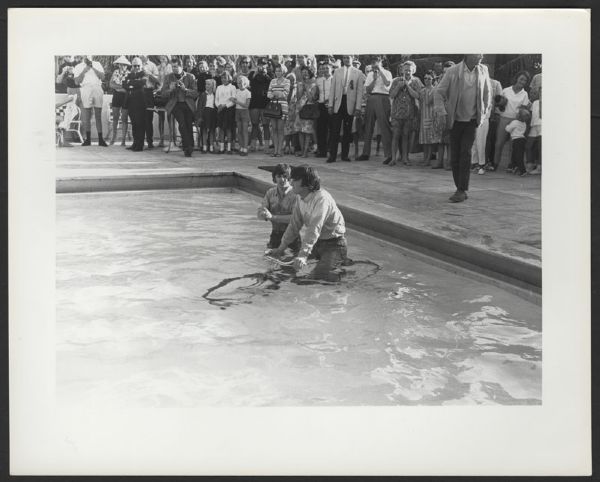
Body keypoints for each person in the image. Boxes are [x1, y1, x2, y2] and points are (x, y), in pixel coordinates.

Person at [268, 165, 348, 282]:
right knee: (284, 268)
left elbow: (314, 229)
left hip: (334, 245)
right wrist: (280, 249)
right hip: (316, 244)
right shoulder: (300, 198)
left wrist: (302, 255)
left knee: (315, 279)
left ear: (306, 183)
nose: (291, 182)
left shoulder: (322, 199)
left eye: (295, 179)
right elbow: (293, 226)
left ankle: (342, 274)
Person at [434, 54, 492, 203]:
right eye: (477, 52)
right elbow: (439, 92)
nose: (481, 55)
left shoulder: (483, 69)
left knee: (465, 152)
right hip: (455, 119)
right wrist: (442, 112)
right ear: (468, 54)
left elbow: (487, 93)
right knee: (455, 156)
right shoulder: (453, 71)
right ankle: (459, 187)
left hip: (472, 119)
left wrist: (484, 113)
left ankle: (461, 189)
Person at [327, 54, 365, 163]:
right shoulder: (337, 71)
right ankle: (332, 156)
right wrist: (330, 105)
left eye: (348, 57)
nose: (346, 60)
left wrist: (358, 107)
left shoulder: (358, 73)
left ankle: (344, 155)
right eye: (344, 58)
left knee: (347, 131)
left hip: (350, 104)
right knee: (335, 130)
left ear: (352, 59)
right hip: (338, 102)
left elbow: (359, 92)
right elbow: (332, 89)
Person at [492, 70, 531, 172]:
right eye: (521, 78)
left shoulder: (525, 94)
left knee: (512, 145)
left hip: (516, 121)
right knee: (499, 143)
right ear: (517, 78)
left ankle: (511, 165)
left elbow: (524, 109)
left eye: (525, 80)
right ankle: (495, 164)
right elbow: (499, 105)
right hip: (504, 118)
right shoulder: (506, 90)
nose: (522, 81)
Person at [257, 163, 300, 254]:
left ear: (289, 178)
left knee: (290, 266)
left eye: (285, 176)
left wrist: (273, 217)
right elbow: (260, 212)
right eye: (279, 176)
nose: (282, 179)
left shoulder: (296, 195)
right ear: (274, 178)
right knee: (270, 264)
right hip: (275, 235)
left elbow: (295, 218)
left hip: (292, 236)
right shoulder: (270, 193)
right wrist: (262, 214)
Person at [357, 55, 392, 163]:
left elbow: (387, 83)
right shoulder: (370, 74)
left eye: (376, 61)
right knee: (368, 126)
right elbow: (367, 90)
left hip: (383, 97)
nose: (374, 64)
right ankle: (365, 153)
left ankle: (389, 155)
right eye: (373, 62)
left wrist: (380, 70)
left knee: (384, 126)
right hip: (372, 97)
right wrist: (375, 79)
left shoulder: (387, 72)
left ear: (381, 62)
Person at [161, 57, 198, 157]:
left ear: (181, 66)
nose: (174, 69)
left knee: (188, 124)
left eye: (176, 67)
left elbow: (195, 93)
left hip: (187, 104)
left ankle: (190, 145)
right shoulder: (168, 77)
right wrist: (170, 89)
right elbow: (163, 94)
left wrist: (185, 89)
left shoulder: (190, 77)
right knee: (182, 123)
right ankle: (187, 147)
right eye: (173, 67)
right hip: (175, 104)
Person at [388, 62, 422, 166]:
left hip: (409, 113)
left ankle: (405, 158)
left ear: (413, 70)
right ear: (402, 70)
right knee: (395, 135)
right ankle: (393, 158)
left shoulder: (416, 81)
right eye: (405, 69)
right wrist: (398, 86)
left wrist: (407, 86)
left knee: (406, 136)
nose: (407, 72)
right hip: (396, 113)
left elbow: (417, 95)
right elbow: (391, 95)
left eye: (409, 70)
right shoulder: (396, 80)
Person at [73, 55, 107, 146]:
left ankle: (101, 140)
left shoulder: (97, 64)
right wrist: (85, 70)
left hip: (97, 87)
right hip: (85, 88)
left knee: (98, 114)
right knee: (87, 115)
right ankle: (88, 140)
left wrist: (93, 67)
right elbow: (76, 81)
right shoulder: (78, 66)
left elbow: (103, 77)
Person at [123, 57, 148, 151]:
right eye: (134, 65)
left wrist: (131, 83)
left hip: (141, 102)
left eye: (138, 65)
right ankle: (135, 143)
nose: (136, 67)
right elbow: (124, 84)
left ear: (141, 65)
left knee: (140, 123)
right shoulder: (129, 74)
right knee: (134, 123)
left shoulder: (144, 73)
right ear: (132, 66)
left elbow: (142, 83)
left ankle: (140, 145)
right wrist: (133, 83)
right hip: (131, 102)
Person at [417, 70, 441, 167]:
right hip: (423, 115)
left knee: (430, 139)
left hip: (431, 116)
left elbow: (428, 102)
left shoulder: (434, 89)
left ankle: (428, 159)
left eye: (429, 78)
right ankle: (425, 158)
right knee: (424, 140)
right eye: (425, 78)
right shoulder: (422, 90)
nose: (426, 80)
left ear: (433, 79)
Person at [248, 58, 273, 152]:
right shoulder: (252, 74)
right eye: (260, 64)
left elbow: (272, 83)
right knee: (255, 125)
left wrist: (265, 74)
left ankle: (266, 147)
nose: (261, 66)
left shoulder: (270, 74)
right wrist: (255, 74)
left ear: (267, 65)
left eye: (264, 64)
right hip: (254, 103)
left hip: (265, 103)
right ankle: (253, 146)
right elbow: (248, 83)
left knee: (266, 125)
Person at [294, 66, 319, 157]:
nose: (304, 74)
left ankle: (305, 152)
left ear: (310, 73)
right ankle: (302, 150)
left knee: (307, 132)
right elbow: (298, 97)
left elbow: (311, 98)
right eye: (303, 72)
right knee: (300, 131)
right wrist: (301, 87)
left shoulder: (314, 84)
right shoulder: (299, 84)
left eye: (306, 72)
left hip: (308, 109)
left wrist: (307, 88)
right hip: (300, 108)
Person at [267, 64, 290, 157]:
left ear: (283, 71)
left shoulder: (287, 81)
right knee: (274, 129)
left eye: (280, 71)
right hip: (273, 106)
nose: (278, 72)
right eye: (276, 71)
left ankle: (279, 150)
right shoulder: (272, 81)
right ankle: (275, 150)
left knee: (280, 129)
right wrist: (277, 93)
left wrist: (275, 93)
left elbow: (285, 94)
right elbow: (268, 94)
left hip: (282, 106)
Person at [108, 56, 131, 146]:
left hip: (125, 97)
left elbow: (128, 88)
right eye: (121, 65)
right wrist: (121, 88)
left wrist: (118, 87)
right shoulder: (115, 72)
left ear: (126, 65)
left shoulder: (129, 74)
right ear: (118, 65)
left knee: (124, 118)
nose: (122, 66)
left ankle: (123, 140)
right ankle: (114, 138)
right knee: (115, 118)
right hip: (116, 96)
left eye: (124, 65)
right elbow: (111, 84)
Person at [139, 55, 160, 148]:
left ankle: (150, 142)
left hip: (148, 93)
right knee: (139, 119)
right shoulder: (136, 63)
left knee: (148, 119)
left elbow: (158, 81)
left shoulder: (152, 65)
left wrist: (148, 74)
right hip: (139, 93)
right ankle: (139, 142)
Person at [215, 71, 237, 154]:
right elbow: (216, 99)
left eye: (225, 77)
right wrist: (218, 106)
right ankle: (221, 148)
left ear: (229, 78)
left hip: (229, 110)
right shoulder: (219, 87)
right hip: (220, 109)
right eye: (222, 78)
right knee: (221, 129)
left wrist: (225, 106)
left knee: (228, 129)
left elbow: (233, 100)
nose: (223, 79)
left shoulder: (232, 87)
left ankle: (229, 148)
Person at [505, 108, 531, 176]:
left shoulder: (514, 122)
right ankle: (514, 167)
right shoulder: (524, 123)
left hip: (516, 140)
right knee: (516, 154)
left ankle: (523, 171)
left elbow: (508, 129)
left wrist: (507, 125)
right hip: (522, 139)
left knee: (518, 156)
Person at [315, 62, 333, 158]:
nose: (325, 70)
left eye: (327, 68)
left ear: (331, 69)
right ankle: (322, 151)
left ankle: (330, 149)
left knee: (331, 128)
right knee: (321, 129)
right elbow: (316, 93)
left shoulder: (334, 79)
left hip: (331, 105)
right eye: (324, 68)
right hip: (321, 105)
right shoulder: (318, 80)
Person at [231, 75, 251, 156]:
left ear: (245, 83)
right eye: (238, 83)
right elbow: (232, 99)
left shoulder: (248, 92)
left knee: (244, 131)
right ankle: (241, 147)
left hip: (244, 112)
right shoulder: (236, 91)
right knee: (239, 130)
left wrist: (237, 102)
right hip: (237, 111)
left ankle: (245, 148)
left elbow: (246, 105)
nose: (240, 84)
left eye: (242, 82)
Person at [196, 78, 217, 153]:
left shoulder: (215, 95)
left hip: (212, 113)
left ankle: (211, 146)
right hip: (204, 113)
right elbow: (199, 106)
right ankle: (204, 146)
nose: (206, 86)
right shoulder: (203, 95)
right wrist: (199, 116)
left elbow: (216, 105)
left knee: (212, 130)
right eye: (206, 84)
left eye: (208, 84)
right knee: (204, 130)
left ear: (212, 86)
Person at [156, 55, 173, 148]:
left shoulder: (170, 68)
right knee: (160, 117)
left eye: (164, 58)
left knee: (170, 117)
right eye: (161, 59)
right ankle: (161, 139)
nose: (162, 60)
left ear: (167, 59)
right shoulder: (157, 68)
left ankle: (171, 139)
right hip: (159, 94)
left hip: (168, 95)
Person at [525, 87, 542, 175]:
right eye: (540, 92)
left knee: (540, 147)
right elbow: (530, 113)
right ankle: (529, 164)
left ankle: (540, 167)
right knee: (529, 145)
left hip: (543, 126)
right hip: (534, 126)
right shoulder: (535, 103)